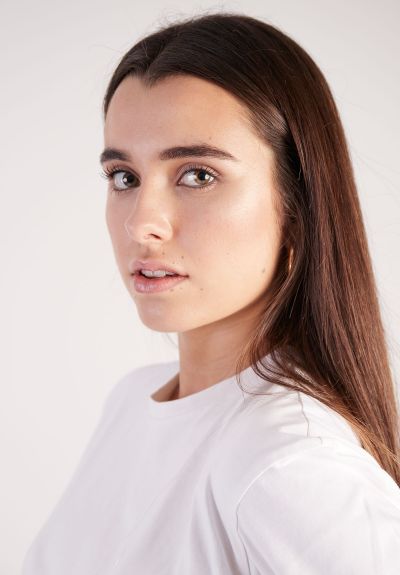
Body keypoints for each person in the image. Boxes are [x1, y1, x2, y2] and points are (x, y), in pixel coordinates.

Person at [22, 11, 400, 575]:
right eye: (124, 177)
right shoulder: (132, 401)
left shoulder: (289, 463)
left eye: (197, 174)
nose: (141, 223)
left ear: (297, 207)